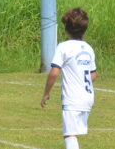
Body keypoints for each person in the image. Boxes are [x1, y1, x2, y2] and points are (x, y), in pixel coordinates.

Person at [41, 8, 97, 149]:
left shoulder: (64, 47)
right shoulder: (88, 48)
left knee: (69, 134)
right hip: (88, 97)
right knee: (73, 133)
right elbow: (93, 75)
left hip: (73, 98)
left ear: (66, 28)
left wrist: (46, 93)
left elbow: (54, 72)